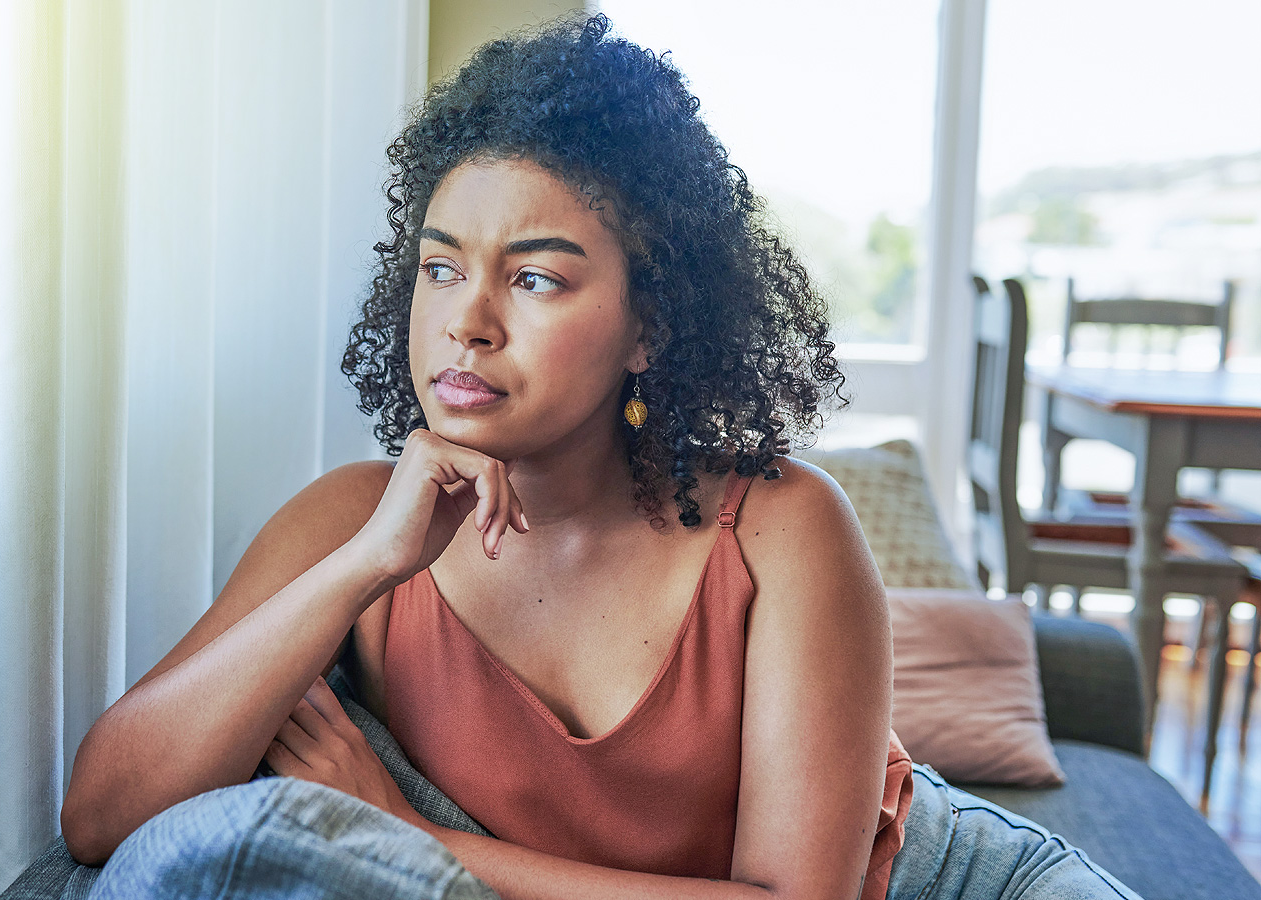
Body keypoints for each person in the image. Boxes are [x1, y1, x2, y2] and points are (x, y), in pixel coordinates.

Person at [62, 15, 1142, 900]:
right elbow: (102, 817)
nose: (467, 322)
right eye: (441, 269)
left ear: (649, 326)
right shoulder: (352, 521)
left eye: (536, 280)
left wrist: (397, 834)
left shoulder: (780, 527)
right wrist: (364, 567)